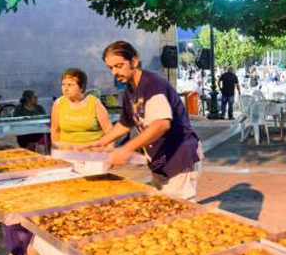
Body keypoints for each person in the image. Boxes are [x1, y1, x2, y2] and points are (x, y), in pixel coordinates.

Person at [89, 40, 202, 200]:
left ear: (134, 61)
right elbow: (126, 123)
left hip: (178, 155)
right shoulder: (129, 90)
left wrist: (126, 149)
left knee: (180, 209)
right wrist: (101, 142)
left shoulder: (152, 84)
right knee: (163, 206)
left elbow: (161, 124)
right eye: (110, 68)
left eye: (119, 66)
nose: (114, 72)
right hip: (159, 160)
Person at [51, 68, 112, 146]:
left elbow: (108, 130)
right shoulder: (59, 103)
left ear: (81, 87)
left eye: (70, 85)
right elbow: (55, 131)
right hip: (67, 150)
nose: (65, 89)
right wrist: (56, 150)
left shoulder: (94, 103)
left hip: (93, 150)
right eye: (63, 84)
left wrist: (110, 150)